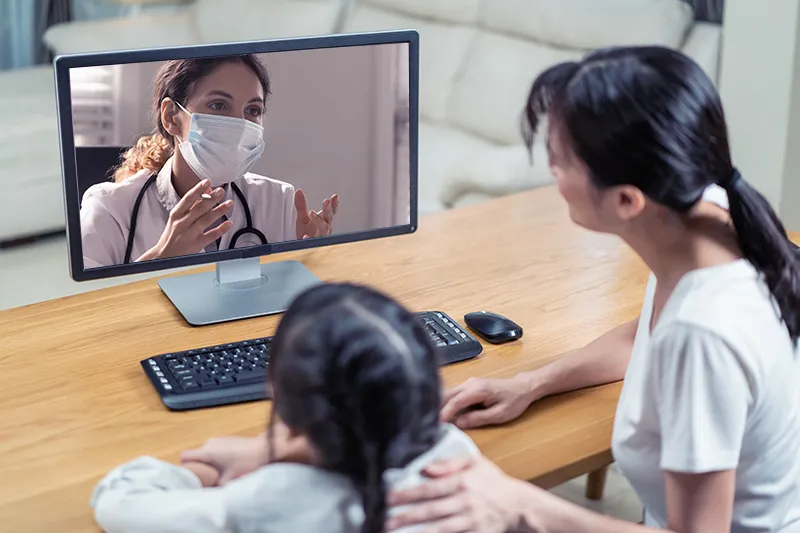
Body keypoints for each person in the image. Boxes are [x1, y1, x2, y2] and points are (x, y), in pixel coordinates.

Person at [387, 45, 800, 533]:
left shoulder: (703, 333)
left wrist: (521, 503)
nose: (552, 175)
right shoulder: (705, 213)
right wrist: (529, 384)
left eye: (561, 162)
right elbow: (639, 337)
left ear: (627, 200)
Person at [89, 282, 479, 533]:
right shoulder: (453, 454)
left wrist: (210, 470)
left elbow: (119, 500)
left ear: (278, 394)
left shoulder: (267, 499)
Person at [80, 54, 340, 268]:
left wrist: (312, 260)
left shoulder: (279, 201)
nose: (239, 125)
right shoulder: (110, 210)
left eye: (252, 110)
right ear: (171, 116)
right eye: (218, 105)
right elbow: (84, 315)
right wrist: (161, 259)